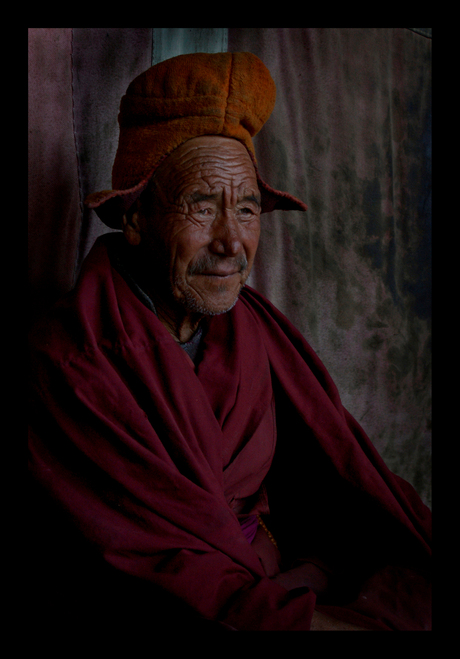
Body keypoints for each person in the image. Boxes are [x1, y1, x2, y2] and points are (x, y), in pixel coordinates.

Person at [29, 52, 431, 632]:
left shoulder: (249, 324)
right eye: (201, 205)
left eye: (246, 209)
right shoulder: (71, 362)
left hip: (270, 575)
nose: (231, 242)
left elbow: (330, 465)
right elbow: (160, 570)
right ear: (136, 217)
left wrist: (319, 565)